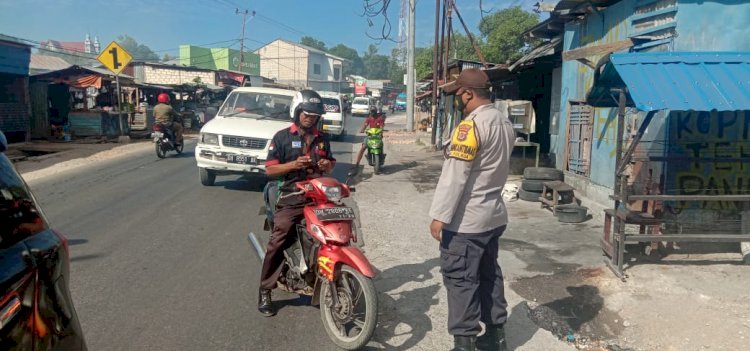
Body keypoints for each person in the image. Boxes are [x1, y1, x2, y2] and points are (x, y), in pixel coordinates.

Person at [428, 68, 515, 351]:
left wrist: (440, 216)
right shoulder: (504, 122)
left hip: (467, 221)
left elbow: (455, 177)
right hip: (493, 215)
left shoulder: (470, 127)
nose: (456, 99)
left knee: (461, 280)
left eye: (457, 94)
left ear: (467, 93)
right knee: (490, 276)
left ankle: (464, 344)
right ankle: (495, 338)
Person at [258, 89, 336, 317]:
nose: (310, 118)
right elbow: (270, 169)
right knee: (279, 237)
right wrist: (293, 165)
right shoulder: (282, 137)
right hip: (290, 195)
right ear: (297, 112)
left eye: (314, 115)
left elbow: (331, 163)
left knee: (332, 232)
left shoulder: (323, 138)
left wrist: (325, 165)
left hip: (318, 195)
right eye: (306, 114)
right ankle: (265, 289)